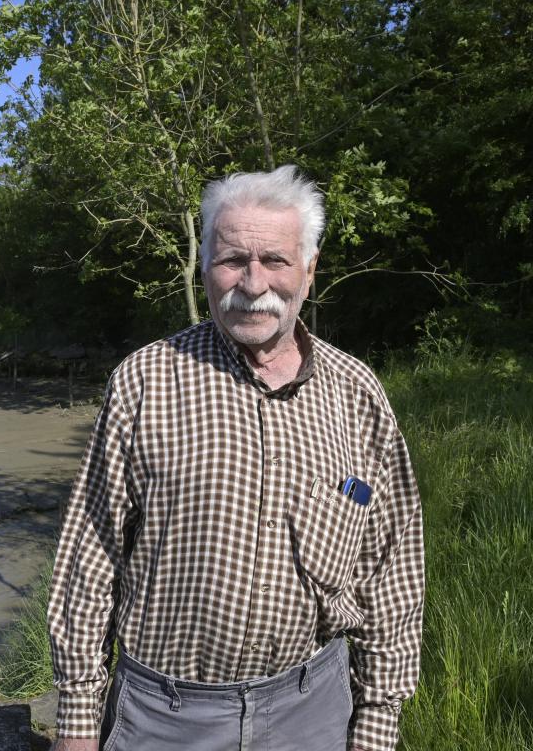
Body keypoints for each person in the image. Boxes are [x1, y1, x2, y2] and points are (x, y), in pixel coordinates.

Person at [46, 165, 425, 751]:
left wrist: (376, 721)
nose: (252, 283)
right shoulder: (144, 380)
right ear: (204, 266)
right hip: (164, 718)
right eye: (232, 260)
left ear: (309, 268)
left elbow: (391, 566)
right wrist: (76, 722)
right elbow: (89, 555)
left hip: (313, 709)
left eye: (275, 259)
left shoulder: (357, 393)